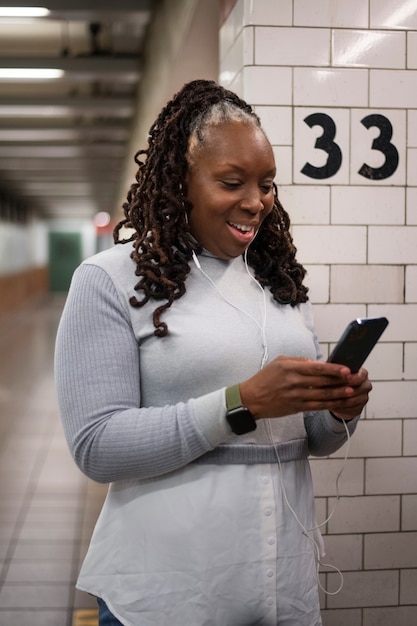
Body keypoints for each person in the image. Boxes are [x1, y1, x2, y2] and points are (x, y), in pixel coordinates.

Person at [55, 79, 372, 626]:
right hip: (165, 590)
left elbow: (313, 439)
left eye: (267, 184)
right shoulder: (109, 279)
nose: (256, 202)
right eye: (232, 182)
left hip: (279, 586)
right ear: (181, 182)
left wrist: (340, 409)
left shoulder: (279, 284)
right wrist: (241, 403)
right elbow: (97, 446)